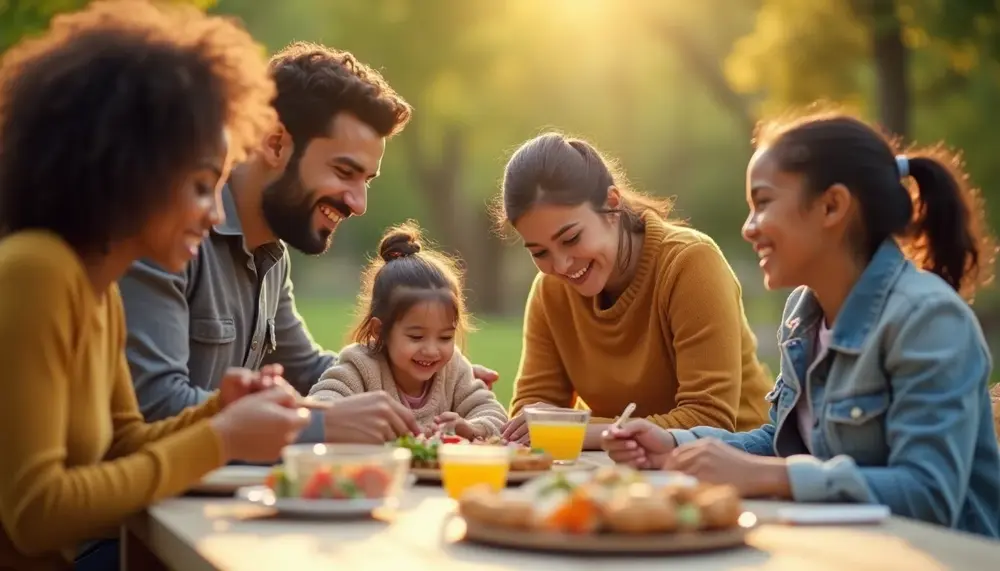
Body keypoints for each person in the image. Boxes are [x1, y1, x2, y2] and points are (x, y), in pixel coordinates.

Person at [0, 3, 312, 569]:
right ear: (129, 168)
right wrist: (222, 439)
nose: (216, 215)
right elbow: (35, 511)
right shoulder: (38, 272)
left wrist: (218, 410)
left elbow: (123, 444)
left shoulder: (100, 292)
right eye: (201, 186)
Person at [602, 110, 1000, 538]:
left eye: (763, 203)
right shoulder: (804, 313)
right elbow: (785, 440)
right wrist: (677, 445)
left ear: (832, 206)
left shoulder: (927, 319)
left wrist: (769, 476)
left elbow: (929, 494)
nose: (748, 228)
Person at [119, 41, 497, 444]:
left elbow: (308, 369)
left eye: (366, 180)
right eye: (344, 171)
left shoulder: (271, 254)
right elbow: (155, 404)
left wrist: (409, 377)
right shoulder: (168, 232)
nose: (359, 204)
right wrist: (320, 425)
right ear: (275, 143)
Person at [496, 133, 773, 450]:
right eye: (539, 252)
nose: (560, 265)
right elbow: (531, 415)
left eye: (571, 239)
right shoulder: (550, 291)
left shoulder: (689, 264)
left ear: (612, 204)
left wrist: (571, 430)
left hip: (741, 460)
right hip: (628, 464)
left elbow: (708, 420)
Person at [309, 222, 508, 440]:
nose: (431, 350)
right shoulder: (360, 367)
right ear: (379, 331)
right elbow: (318, 407)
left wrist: (471, 428)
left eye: (445, 337)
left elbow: (494, 414)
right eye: (416, 337)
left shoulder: (454, 370)